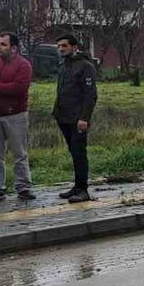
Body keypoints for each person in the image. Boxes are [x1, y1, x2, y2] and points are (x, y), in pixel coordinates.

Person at [0, 32, 34, 201]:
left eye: (3, 44)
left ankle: (23, 187)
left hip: (15, 115)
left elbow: (18, 88)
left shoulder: (23, 66)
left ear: (14, 48)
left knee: (19, 153)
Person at [51, 34, 98, 203]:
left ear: (74, 47)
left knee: (79, 153)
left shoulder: (85, 66)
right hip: (63, 116)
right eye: (59, 46)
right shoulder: (63, 64)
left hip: (78, 118)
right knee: (73, 152)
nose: (61, 49)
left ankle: (83, 189)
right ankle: (77, 187)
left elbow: (90, 95)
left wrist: (84, 118)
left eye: (64, 46)